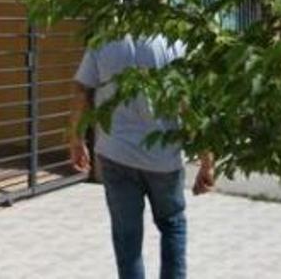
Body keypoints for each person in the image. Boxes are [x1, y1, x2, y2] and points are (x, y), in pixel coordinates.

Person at [70, 35, 215, 279]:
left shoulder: (104, 40)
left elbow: (82, 89)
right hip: (163, 158)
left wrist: (76, 138)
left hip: (116, 153)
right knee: (172, 226)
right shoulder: (174, 41)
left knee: (126, 237)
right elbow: (189, 105)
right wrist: (207, 160)